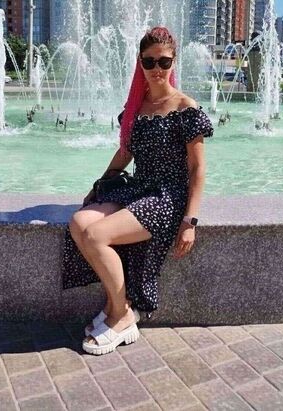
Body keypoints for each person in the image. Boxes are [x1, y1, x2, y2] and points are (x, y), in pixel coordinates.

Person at [63, 27, 214, 355]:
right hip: (137, 188)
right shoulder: (136, 106)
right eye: (149, 61)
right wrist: (99, 184)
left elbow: (197, 169)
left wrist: (190, 221)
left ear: (174, 62)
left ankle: (122, 317)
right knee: (78, 222)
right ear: (140, 63)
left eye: (164, 61)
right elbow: (125, 153)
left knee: (95, 236)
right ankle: (117, 306)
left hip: (166, 197)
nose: (157, 69)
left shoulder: (185, 108)